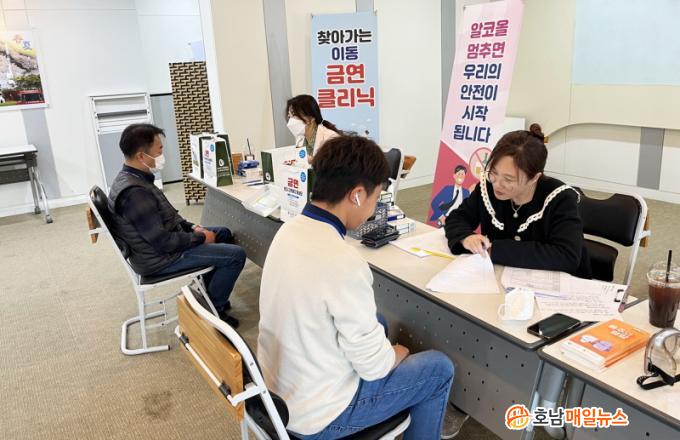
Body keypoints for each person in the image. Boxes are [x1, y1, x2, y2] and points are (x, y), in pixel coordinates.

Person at [257, 135, 457, 440]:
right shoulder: (343, 260)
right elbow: (375, 367)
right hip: (318, 416)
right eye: (376, 198)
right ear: (357, 195)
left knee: (378, 321)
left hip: (277, 392)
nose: (374, 208)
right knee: (438, 369)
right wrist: (396, 354)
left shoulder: (289, 230)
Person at [107, 123, 246, 327]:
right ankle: (213, 312)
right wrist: (200, 237)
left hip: (156, 248)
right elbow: (163, 242)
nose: (162, 155)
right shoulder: (135, 193)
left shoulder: (134, 178)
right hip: (159, 258)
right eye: (159, 150)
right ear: (141, 156)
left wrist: (192, 228)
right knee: (236, 255)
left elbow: (167, 217)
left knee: (223, 233)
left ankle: (207, 297)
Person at [444, 123, 592, 278]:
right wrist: (466, 237)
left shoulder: (560, 198)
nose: (497, 184)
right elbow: (457, 218)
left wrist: (495, 250)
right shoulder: (487, 186)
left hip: (557, 284)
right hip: (500, 278)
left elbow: (566, 255)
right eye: (493, 172)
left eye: (508, 179)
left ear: (534, 178)